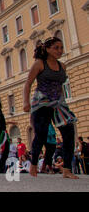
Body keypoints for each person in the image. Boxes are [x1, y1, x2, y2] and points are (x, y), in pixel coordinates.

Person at [23, 37, 78, 179]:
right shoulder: (39, 64)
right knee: (40, 134)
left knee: (69, 133)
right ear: (47, 49)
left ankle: (66, 169)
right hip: (42, 102)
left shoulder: (62, 66)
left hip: (58, 102)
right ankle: (34, 165)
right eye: (56, 48)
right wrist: (26, 103)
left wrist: (62, 103)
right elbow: (28, 84)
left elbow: (60, 86)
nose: (60, 51)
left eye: (61, 47)